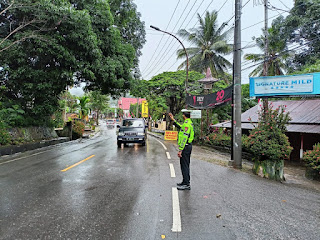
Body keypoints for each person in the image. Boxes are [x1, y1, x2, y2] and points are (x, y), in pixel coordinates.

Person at [169, 109, 194, 190]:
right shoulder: (188, 123)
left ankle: (186, 184)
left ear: (184, 115)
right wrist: (173, 120)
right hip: (187, 146)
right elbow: (180, 127)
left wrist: (180, 150)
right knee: (184, 165)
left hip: (185, 147)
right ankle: (185, 181)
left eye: (182, 114)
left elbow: (184, 138)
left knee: (185, 166)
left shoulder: (187, 124)